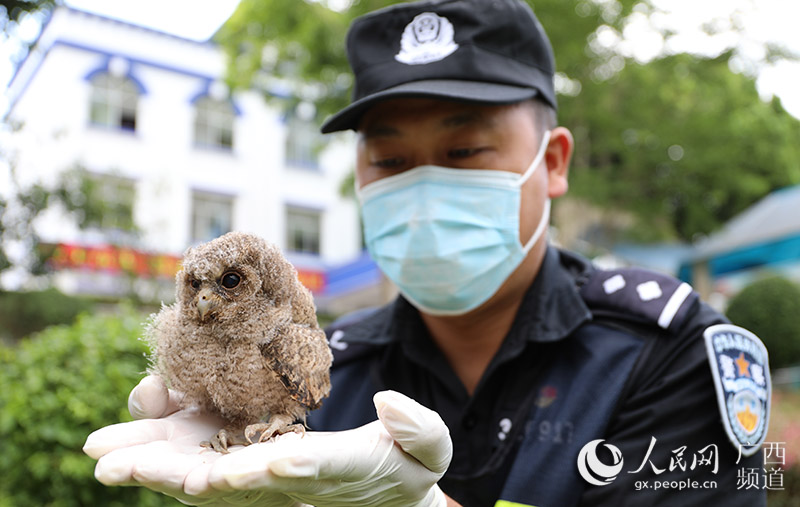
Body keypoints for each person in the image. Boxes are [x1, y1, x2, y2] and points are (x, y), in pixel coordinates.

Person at [83, 0, 772, 505]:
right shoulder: (319, 369)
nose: (420, 185)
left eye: (464, 149)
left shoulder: (667, 353)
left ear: (553, 162)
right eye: (388, 158)